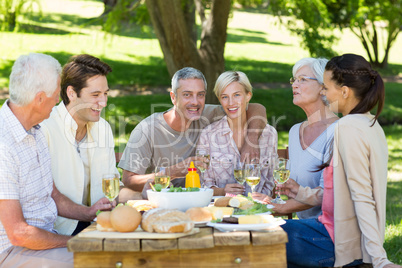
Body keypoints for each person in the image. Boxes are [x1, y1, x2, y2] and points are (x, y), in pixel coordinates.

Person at [280, 54, 401, 268]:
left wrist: (378, 258)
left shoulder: (346, 127)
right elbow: (339, 190)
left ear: (344, 92)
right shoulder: (370, 124)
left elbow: (362, 195)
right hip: (329, 233)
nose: (324, 94)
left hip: (334, 241)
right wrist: (300, 192)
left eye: (326, 88)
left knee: (256, 234)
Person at [0, 53, 112, 267]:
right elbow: (18, 234)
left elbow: (52, 194)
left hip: (42, 241)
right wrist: (76, 242)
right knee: (97, 262)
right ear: (40, 98)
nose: (59, 101)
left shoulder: (35, 132)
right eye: (56, 94)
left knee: (114, 258)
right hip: (12, 251)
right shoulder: (3, 146)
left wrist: (88, 213)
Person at [118, 67, 268, 193]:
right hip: (162, 201)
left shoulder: (206, 114)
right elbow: (128, 179)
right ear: (173, 97)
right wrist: (171, 172)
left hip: (197, 202)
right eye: (187, 95)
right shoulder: (147, 130)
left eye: (200, 95)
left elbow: (256, 108)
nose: (195, 102)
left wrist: (252, 140)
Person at [41, 54, 141, 236]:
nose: (103, 103)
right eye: (95, 95)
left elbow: (114, 190)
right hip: (56, 231)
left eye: (105, 94)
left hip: (99, 226)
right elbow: (44, 196)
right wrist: (88, 214)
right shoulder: (45, 129)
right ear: (71, 93)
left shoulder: (102, 129)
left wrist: (145, 197)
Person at [253, 57, 338, 219]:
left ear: (323, 87)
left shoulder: (338, 131)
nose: (294, 85)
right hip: (303, 224)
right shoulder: (294, 131)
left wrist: (280, 207)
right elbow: (294, 187)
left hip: (328, 229)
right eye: (294, 80)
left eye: (303, 80)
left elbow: (328, 193)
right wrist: (273, 200)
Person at [197, 71, 277, 196]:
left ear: (248, 96)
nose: (231, 103)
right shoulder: (208, 135)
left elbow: (270, 181)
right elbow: (203, 185)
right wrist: (223, 191)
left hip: (257, 210)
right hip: (222, 210)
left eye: (237, 95)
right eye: (224, 97)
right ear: (220, 100)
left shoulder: (269, 134)